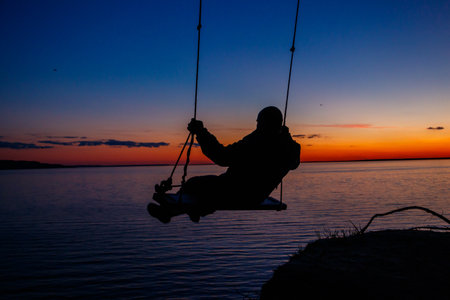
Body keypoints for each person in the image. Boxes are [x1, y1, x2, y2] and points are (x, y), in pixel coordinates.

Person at [150, 106, 301, 223]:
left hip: (236, 191)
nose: (256, 126)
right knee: (210, 190)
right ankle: (185, 212)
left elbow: (222, 157)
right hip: (257, 195)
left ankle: (178, 212)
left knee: (193, 185)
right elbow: (293, 163)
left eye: (258, 123)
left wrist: (201, 133)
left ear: (264, 123)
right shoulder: (291, 148)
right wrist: (285, 135)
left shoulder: (256, 141)